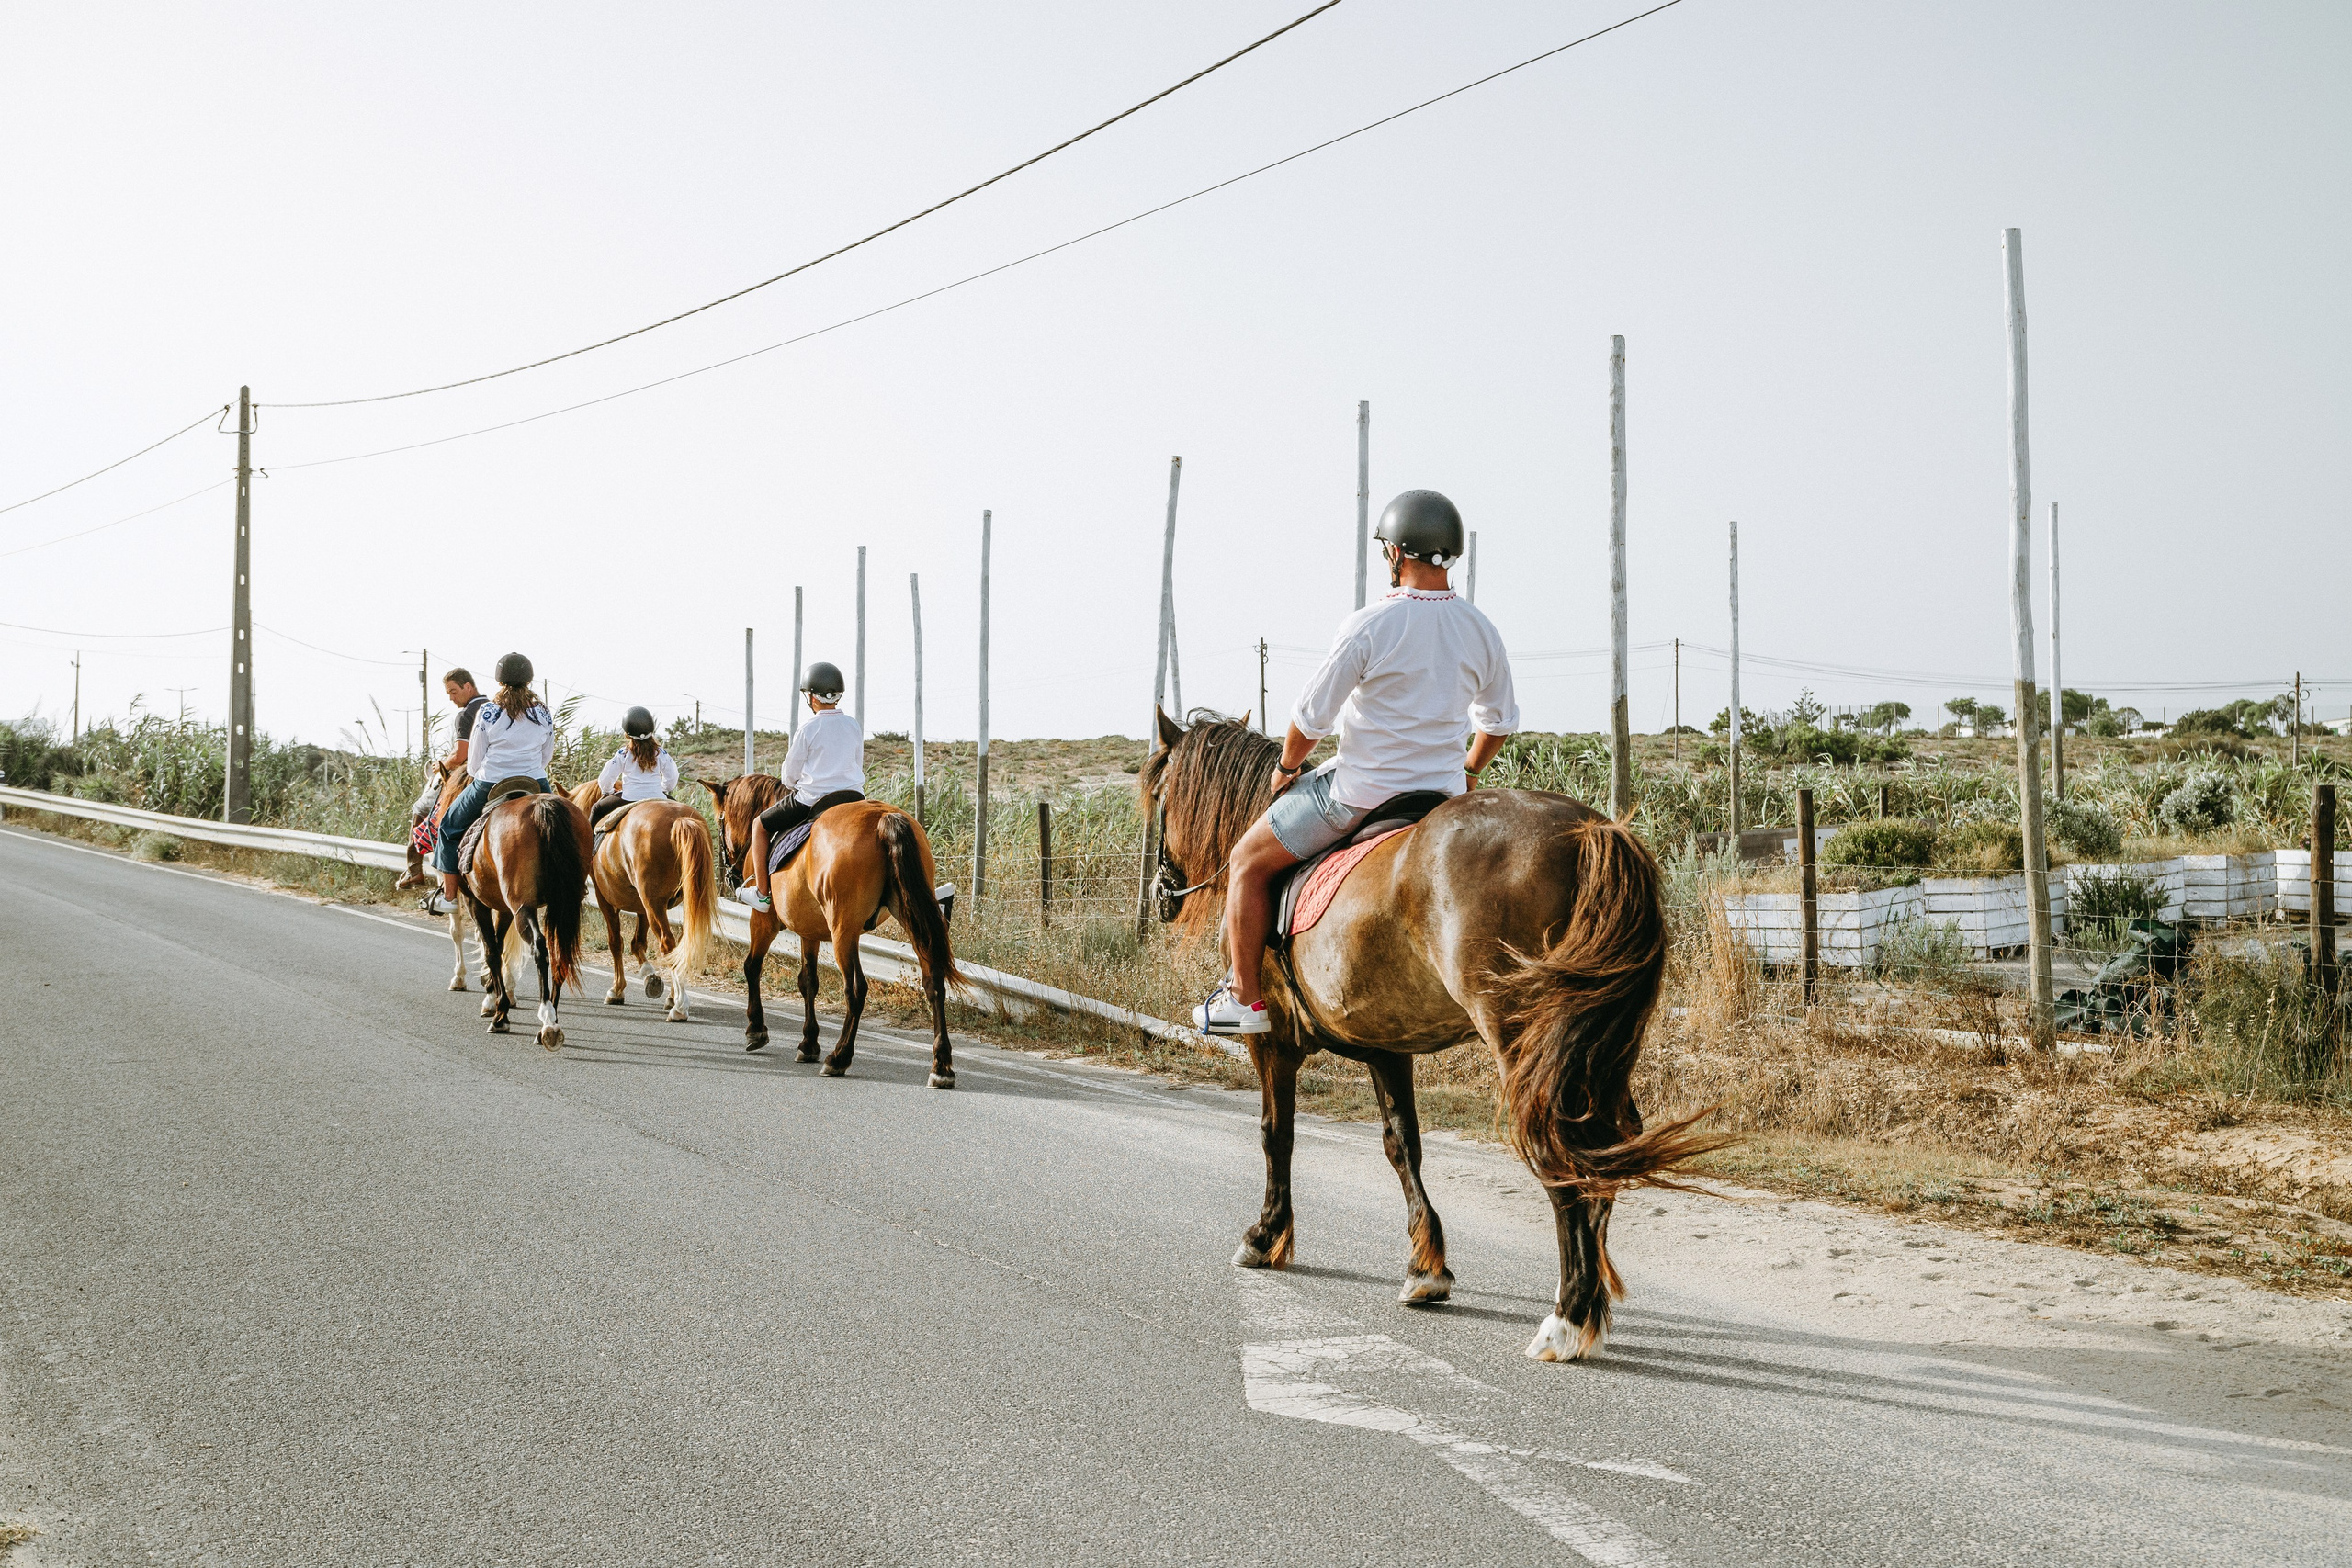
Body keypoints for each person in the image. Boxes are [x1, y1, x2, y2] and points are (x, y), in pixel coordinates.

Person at [1192, 489, 1518, 1036]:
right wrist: (1469, 770)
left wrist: (1287, 767)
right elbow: (1500, 721)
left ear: (1398, 553)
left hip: (1359, 794)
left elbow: (1310, 719)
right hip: (1440, 797)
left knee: (1247, 858)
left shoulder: (1370, 625)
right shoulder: (1481, 629)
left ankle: (1242, 998)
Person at [734, 661, 863, 912]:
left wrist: (797, 783)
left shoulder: (809, 727)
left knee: (759, 825)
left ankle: (761, 894)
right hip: (855, 798)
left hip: (813, 800)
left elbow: (788, 775)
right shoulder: (853, 725)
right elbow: (857, 764)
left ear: (812, 696)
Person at [434, 652, 558, 909]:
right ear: (529, 681)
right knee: (567, 825)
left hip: (491, 782)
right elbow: (547, 755)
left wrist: (485, 772)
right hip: (535, 781)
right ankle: (575, 885)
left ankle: (448, 898)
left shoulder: (488, 711)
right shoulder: (543, 713)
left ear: (499, 682)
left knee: (447, 827)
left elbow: (475, 760)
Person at [397, 668, 490, 889]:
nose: (451, 698)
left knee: (420, 808)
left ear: (468, 687)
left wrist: (441, 766)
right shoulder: (494, 707)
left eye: (454, 691)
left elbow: (459, 755)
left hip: (470, 776)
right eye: (449, 693)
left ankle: (414, 870)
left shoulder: (467, 714)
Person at [591, 706, 679, 831]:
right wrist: (663, 789)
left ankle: (590, 849)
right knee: (682, 810)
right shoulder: (661, 753)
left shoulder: (623, 753)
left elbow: (606, 779)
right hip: (657, 795)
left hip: (629, 797)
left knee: (596, 809)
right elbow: (672, 777)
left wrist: (609, 791)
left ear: (627, 734)